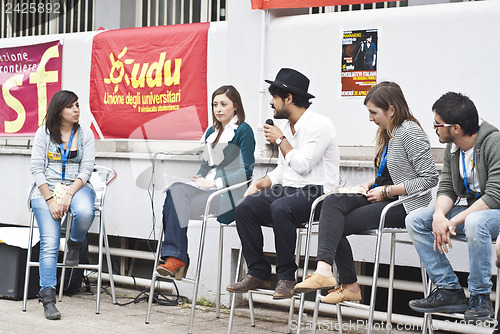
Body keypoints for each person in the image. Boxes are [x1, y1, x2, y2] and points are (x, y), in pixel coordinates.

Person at [294, 81, 439, 304]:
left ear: (391, 109)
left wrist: (387, 191)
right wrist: (370, 184)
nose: (370, 118)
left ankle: (348, 285)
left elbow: (429, 178)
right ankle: (326, 270)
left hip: (405, 205)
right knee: (330, 203)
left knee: (334, 224)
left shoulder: (409, 131)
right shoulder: (389, 131)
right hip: (382, 195)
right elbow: (390, 171)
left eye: (373, 112)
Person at [226, 68, 340, 299]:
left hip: (318, 193)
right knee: (245, 207)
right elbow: (283, 169)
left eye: (274, 98)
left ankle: (286, 277)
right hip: (289, 190)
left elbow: (302, 166)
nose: (270, 102)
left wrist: (280, 139)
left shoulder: (320, 125)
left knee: (281, 207)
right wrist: (261, 183)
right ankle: (258, 271)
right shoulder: (287, 127)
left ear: (288, 98)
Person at [406, 92, 500, 322]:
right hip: (473, 210)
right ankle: (449, 290)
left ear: (455, 127)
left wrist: (454, 220)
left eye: (437, 124)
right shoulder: (454, 147)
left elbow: (495, 195)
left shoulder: (494, 143)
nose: (435, 129)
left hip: (493, 211)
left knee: (475, 221)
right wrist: (439, 215)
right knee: (416, 219)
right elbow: (447, 187)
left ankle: (480, 296)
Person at [156, 85, 255, 279]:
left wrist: (215, 183)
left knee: (174, 202)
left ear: (235, 106)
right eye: (214, 104)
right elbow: (205, 167)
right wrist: (198, 178)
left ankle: (176, 258)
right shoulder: (212, 131)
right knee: (175, 191)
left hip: (228, 195)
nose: (218, 109)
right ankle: (176, 258)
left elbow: (246, 172)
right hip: (207, 190)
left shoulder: (244, 130)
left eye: (223, 104)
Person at [30, 90, 96, 320]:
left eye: (78, 105)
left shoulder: (86, 134)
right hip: (46, 189)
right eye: (71, 106)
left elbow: (87, 169)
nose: (77, 110)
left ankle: (75, 243)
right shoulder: (44, 133)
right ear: (59, 110)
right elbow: (37, 169)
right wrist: (50, 200)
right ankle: (48, 297)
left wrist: (68, 194)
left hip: (76, 187)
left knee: (86, 212)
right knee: (49, 242)